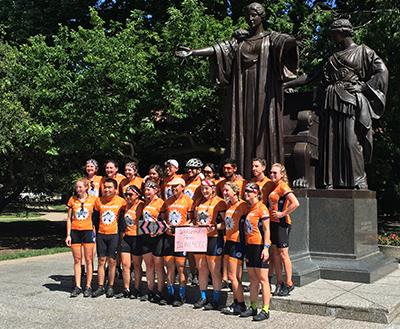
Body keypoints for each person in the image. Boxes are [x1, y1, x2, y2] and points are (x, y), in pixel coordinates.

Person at [176, 2, 298, 178]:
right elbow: (219, 49)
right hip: (242, 91)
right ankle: (239, 171)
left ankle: (265, 172)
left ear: (262, 17)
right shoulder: (239, 42)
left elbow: (286, 43)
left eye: (254, 15)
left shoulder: (271, 38)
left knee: (262, 129)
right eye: (248, 15)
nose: (250, 19)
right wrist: (193, 52)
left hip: (264, 89)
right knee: (242, 128)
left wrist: (294, 41)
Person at [283, 18, 388, 189]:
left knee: (350, 140)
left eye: (334, 33)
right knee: (330, 144)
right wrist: (286, 84)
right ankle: (329, 182)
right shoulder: (331, 57)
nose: (332, 37)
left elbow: (382, 72)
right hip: (330, 102)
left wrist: (364, 87)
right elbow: (310, 76)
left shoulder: (363, 51)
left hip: (349, 101)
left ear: (344, 31)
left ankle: (358, 180)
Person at [193, 179, 227, 310]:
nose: (204, 191)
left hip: (214, 238)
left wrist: (215, 227)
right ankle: (203, 297)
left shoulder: (220, 202)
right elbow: (195, 220)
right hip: (199, 238)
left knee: (214, 270)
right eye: (202, 188)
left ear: (213, 188)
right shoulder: (199, 201)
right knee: (201, 269)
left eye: (207, 188)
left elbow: (226, 223)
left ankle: (216, 298)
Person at [240, 182, 271, 321]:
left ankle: (265, 310)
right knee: (253, 280)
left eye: (249, 191)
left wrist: (266, 247)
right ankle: (253, 307)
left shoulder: (262, 208)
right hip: (250, 246)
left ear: (256, 193)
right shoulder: (249, 208)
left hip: (259, 246)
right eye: (245, 191)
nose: (246, 193)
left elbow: (266, 230)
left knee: (263, 279)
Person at [161, 177, 193, 307]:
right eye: (172, 187)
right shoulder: (167, 201)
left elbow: (192, 219)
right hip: (169, 236)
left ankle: (181, 294)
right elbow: (163, 218)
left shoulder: (188, 201)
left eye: (176, 186)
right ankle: (170, 293)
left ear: (182, 187)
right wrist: (165, 225)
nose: (173, 188)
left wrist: (184, 225)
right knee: (169, 265)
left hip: (182, 237)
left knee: (180, 267)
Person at [92, 178, 127, 298]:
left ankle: (111, 286)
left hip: (114, 235)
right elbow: (95, 220)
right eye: (105, 187)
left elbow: (122, 222)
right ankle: (100, 286)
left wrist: (122, 236)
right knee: (101, 260)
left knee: (112, 261)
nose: (107, 189)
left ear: (115, 189)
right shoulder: (98, 201)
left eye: (110, 187)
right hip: (101, 234)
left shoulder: (121, 202)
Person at [268, 163, 299, 297]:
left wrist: (282, 213)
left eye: (275, 173)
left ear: (282, 174)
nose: (272, 175)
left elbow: (295, 203)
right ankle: (279, 282)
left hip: (282, 224)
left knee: (283, 255)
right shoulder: (275, 186)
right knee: (274, 255)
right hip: (273, 223)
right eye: (271, 172)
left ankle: (289, 283)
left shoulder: (283, 186)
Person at [65, 178, 97, 298]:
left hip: (88, 231)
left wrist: (95, 233)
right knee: (77, 260)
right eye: (77, 187)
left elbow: (97, 217)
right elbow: (69, 218)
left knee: (89, 260)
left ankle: (88, 286)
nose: (78, 189)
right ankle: (77, 286)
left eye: (80, 187)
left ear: (86, 187)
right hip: (75, 231)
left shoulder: (93, 200)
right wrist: (68, 235)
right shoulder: (72, 200)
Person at [220, 182, 248, 315]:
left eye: (227, 191)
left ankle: (241, 304)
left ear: (235, 192)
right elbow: (227, 225)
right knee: (234, 276)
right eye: (223, 191)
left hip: (238, 242)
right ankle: (237, 302)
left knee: (233, 276)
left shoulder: (242, 205)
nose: (224, 193)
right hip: (229, 241)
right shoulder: (229, 206)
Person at [115, 185, 145, 299]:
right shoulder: (125, 205)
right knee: (125, 265)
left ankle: (137, 288)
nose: (128, 197)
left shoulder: (141, 205)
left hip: (138, 238)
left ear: (137, 195)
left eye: (130, 194)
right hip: (127, 238)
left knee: (137, 265)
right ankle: (126, 289)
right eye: (126, 194)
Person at [141, 179, 166, 304]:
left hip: (158, 236)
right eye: (145, 189)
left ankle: (161, 291)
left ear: (155, 190)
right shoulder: (145, 202)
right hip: (145, 235)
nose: (146, 192)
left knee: (158, 265)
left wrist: (157, 231)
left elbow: (164, 221)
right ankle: (150, 290)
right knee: (149, 265)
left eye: (148, 189)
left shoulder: (161, 203)